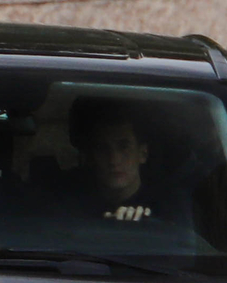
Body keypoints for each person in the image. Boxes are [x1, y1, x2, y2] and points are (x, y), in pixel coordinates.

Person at [58, 96, 175, 227]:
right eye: (102, 148)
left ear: (142, 153)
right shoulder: (68, 204)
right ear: (90, 157)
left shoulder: (169, 206)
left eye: (123, 147)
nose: (113, 160)